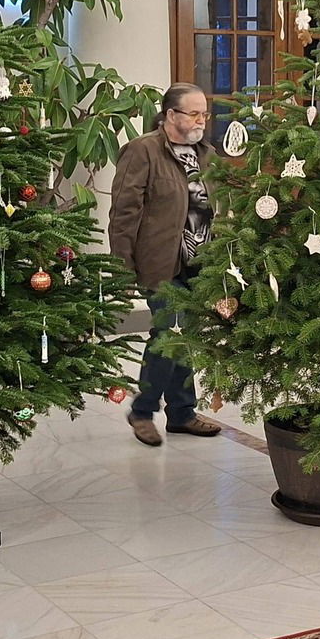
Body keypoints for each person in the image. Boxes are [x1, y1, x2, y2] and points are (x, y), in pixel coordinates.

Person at [108, 83, 222, 447]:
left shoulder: (206, 153)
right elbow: (124, 213)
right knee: (167, 335)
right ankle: (142, 412)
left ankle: (182, 414)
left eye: (204, 113)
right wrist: (121, 268)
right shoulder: (143, 152)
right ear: (171, 115)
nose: (202, 119)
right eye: (194, 113)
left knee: (184, 336)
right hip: (162, 263)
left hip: (201, 261)